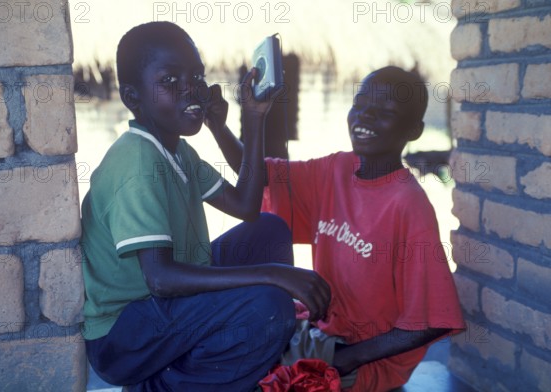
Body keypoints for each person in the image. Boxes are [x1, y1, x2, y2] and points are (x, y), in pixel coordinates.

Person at [79, 21, 331, 392]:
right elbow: (161, 280)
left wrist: (249, 118)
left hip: (162, 308)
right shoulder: (136, 161)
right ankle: (165, 385)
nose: (190, 89)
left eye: (196, 77)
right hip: (124, 335)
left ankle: (206, 364)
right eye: (170, 80)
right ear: (133, 97)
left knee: (269, 229)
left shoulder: (178, 150)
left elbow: (247, 204)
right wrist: (273, 274)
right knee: (269, 307)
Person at [214, 66, 466, 391]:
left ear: (414, 130)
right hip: (321, 331)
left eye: (385, 112)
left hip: (364, 359)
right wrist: (229, 123)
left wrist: (345, 358)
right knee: (221, 338)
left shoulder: (407, 204)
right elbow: (258, 177)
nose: (365, 116)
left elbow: (431, 321)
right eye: (360, 104)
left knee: (239, 373)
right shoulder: (337, 169)